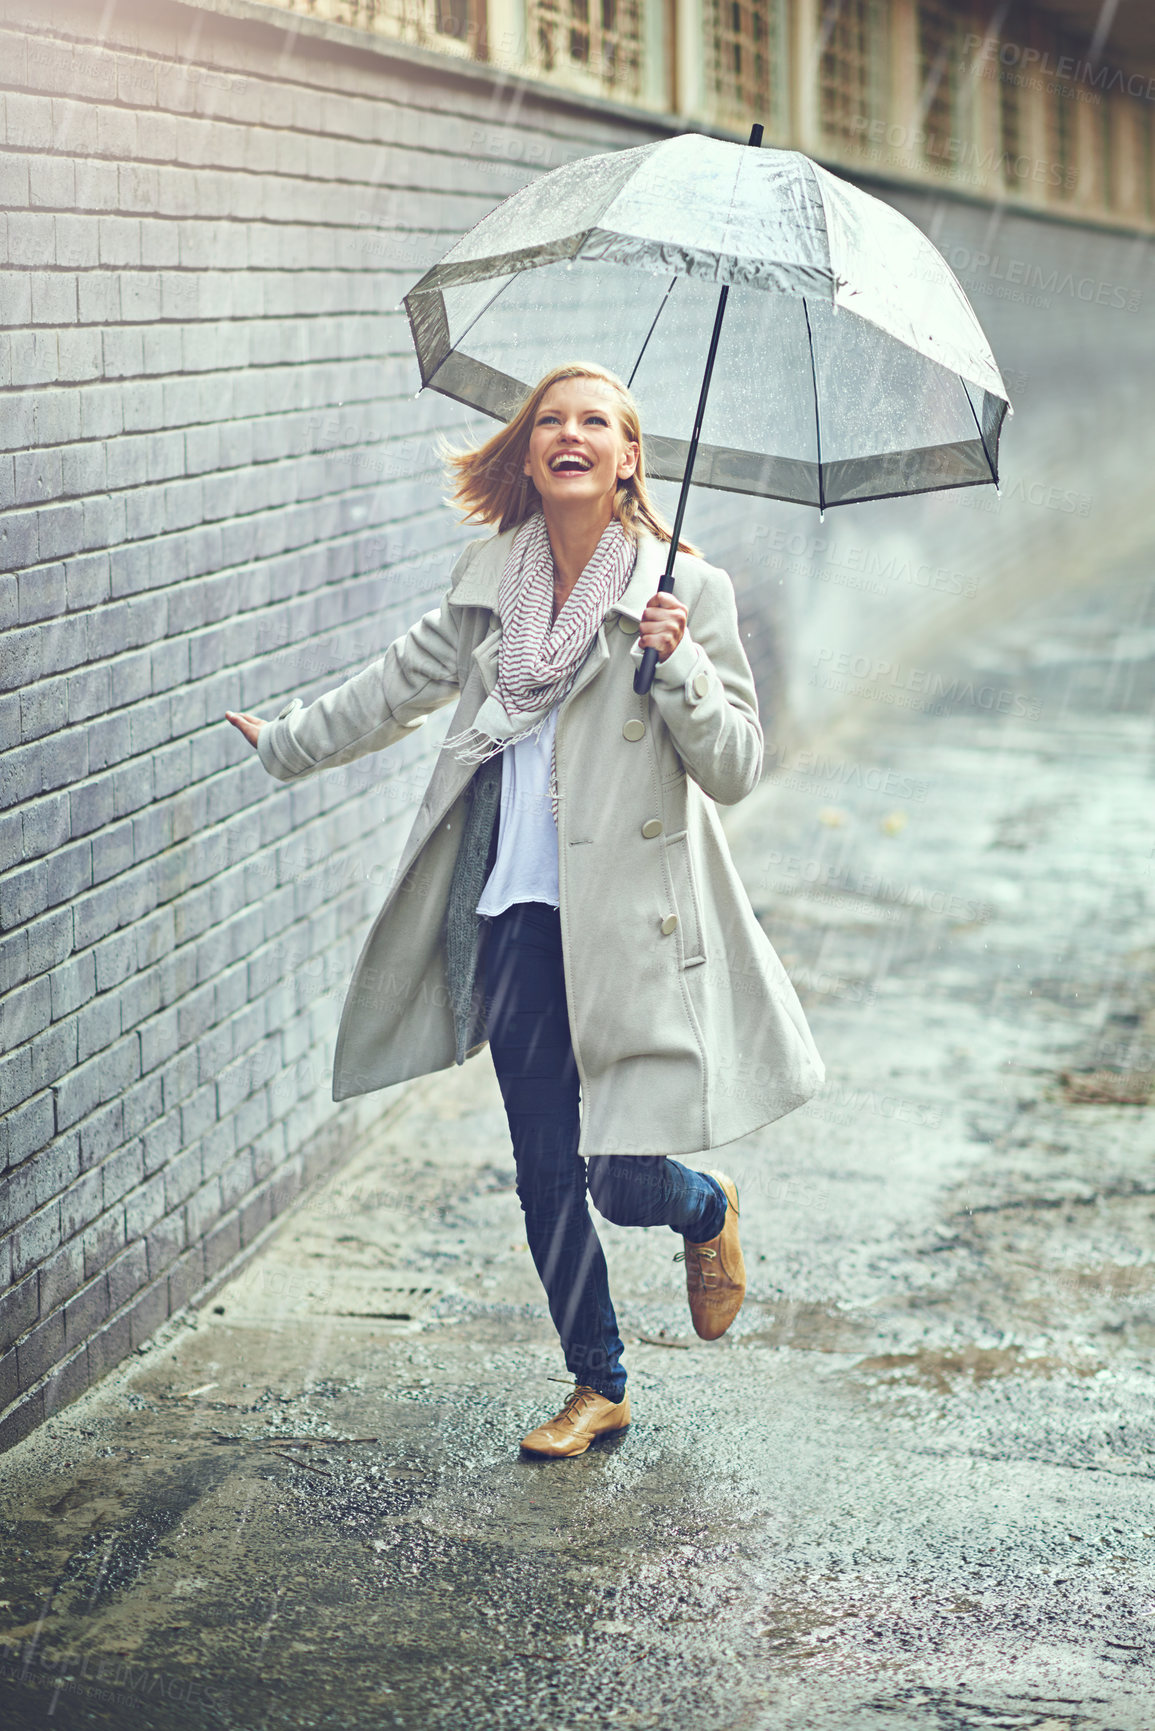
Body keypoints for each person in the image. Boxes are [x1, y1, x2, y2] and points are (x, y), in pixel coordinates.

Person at [227, 361, 824, 1459]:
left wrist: (679, 661)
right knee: (547, 1165)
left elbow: (737, 766)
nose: (571, 434)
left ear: (628, 457)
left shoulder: (686, 591)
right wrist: (290, 742)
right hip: (514, 915)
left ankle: (703, 1207)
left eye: (596, 421)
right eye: (551, 420)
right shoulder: (489, 582)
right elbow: (393, 685)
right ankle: (598, 1385)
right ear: (529, 452)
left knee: (616, 1175)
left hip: (631, 930)